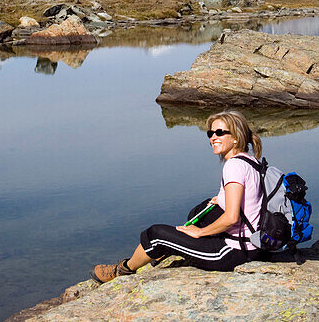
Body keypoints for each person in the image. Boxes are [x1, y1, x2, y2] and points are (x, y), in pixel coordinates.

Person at [90, 110, 263, 283]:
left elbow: (232, 217)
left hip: (233, 252)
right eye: (210, 133)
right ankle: (169, 248)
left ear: (236, 137)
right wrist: (220, 199)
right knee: (202, 209)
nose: (213, 138)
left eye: (220, 133)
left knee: (155, 234)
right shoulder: (249, 160)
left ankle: (123, 270)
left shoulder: (233, 167)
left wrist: (200, 232)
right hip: (251, 243)